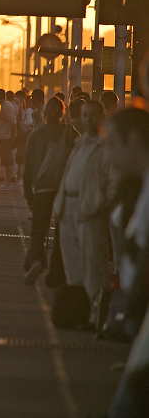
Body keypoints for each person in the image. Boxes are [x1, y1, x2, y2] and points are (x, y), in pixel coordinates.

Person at [51, 100, 114, 326]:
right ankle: (79, 311)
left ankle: (95, 316)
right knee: (72, 263)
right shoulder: (79, 143)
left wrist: (100, 202)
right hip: (68, 206)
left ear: (101, 118)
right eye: (84, 115)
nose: (87, 119)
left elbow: (111, 182)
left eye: (92, 115)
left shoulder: (105, 147)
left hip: (89, 208)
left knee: (92, 264)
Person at [104, 108, 149, 417]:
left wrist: (132, 310)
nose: (107, 155)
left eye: (111, 144)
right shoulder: (138, 188)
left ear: (132, 140)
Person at [22, 97, 77, 284]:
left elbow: (27, 165)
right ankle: (56, 273)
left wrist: (28, 193)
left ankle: (36, 261)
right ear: (63, 112)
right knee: (61, 232)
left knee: (38, 230)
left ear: (45, 113)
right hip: (64, 188)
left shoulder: (37, 135)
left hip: (42, 187)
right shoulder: (70, 133)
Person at [0, 90, 18, 190]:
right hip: (5, 137)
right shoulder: (7, 105)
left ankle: (8, 184)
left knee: (7, 161)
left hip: (6, 138)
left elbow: (13, 123)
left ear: (0, 96)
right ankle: (6, 182)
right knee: (5, 161)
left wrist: (12, 138)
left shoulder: (6, 107)